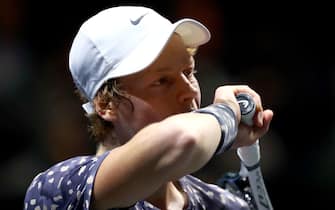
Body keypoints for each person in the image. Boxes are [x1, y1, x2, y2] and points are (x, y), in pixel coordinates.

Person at [23, 5, 273, 210]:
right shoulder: (62, 189)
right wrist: (227, 114)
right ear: (106, 104)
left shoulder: (222, 204)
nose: (189, 91)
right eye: (162, 81)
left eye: (189, 72)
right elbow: (183, 139)